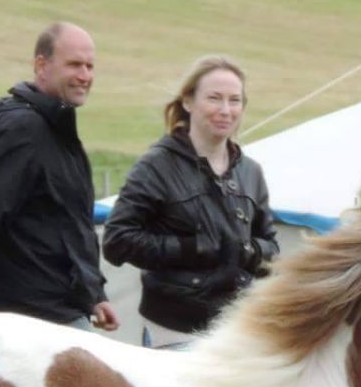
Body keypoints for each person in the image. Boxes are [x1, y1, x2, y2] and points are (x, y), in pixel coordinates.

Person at [0, 22, 117, 333]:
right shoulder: (23, 129)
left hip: (61, 309)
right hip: (27, 320)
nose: (85, 75)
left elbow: (71, 225)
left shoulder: (60, 133)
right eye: (74, 64)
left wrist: (94, 293)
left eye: (90, 66)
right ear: (42, 65)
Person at [102, 54, 277, 348]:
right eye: (214, 98)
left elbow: (271, 245)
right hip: (174, 329)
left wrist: (247, 251)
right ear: (188, 101)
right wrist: (190, 248)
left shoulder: (250, 172)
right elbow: (117, 240)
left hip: (239, 328)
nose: (225, 110)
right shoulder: (156, 166)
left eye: (235, 100)